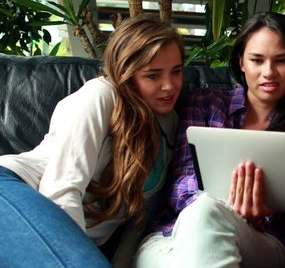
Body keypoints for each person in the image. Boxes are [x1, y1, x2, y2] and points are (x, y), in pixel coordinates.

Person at [134, 12, 285, 268]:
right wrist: (227, 204)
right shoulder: (206, 104)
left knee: (207, 212)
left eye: (282, 61)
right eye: (257, 60)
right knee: (204, 212)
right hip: (171, 236)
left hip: (259, 240)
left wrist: (247, 213)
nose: (269, 72)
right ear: (241, 61)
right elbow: (180, 187)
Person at [0, 14, 184, 267]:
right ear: (127, 73)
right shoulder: (101, 95)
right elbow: (61, 190)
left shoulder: (169, 122)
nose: (169, 86)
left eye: (176, 72)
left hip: (69, 239)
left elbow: (139, 218)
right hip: (14, 189)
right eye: (153, 76)